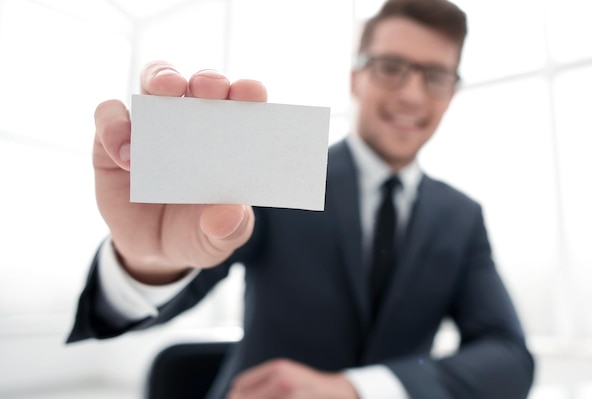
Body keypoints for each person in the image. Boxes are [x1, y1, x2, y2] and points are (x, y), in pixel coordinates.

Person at [68, 0, 535, 398]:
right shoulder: (280, 173)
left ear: (451, 93)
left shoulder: (461, 217)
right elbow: (184, 270)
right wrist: (146, 259)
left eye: (435, 76)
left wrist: (355, 389)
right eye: (391, 68)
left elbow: (510, 356)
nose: (412, 94)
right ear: (356, 78)